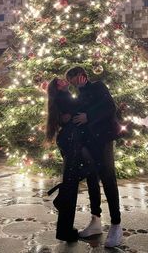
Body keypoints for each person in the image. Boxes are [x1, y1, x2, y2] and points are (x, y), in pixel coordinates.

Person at [65, 66, 123, 248]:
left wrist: (88, 116)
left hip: (103, 139)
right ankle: (95, 220)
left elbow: (109, 107)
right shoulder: (81, 92)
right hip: (87, 142)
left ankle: (116, 224)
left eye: (71, 80)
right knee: (92, 180)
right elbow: (78, 111)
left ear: (80, 76)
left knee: (108, 179)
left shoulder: (98, 86)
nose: (71, 85)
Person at [46, 77, 95, 242]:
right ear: (58, 86)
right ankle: (64, 224)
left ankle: (64, 226)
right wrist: (83, 87)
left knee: (72, 179)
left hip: (68, 139)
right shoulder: (63, 96)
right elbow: (79, 106)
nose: (64, 80)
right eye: (60, 80)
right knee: (76, 177)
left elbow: (69, 114)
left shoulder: (59, 98)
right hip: (71, 139)